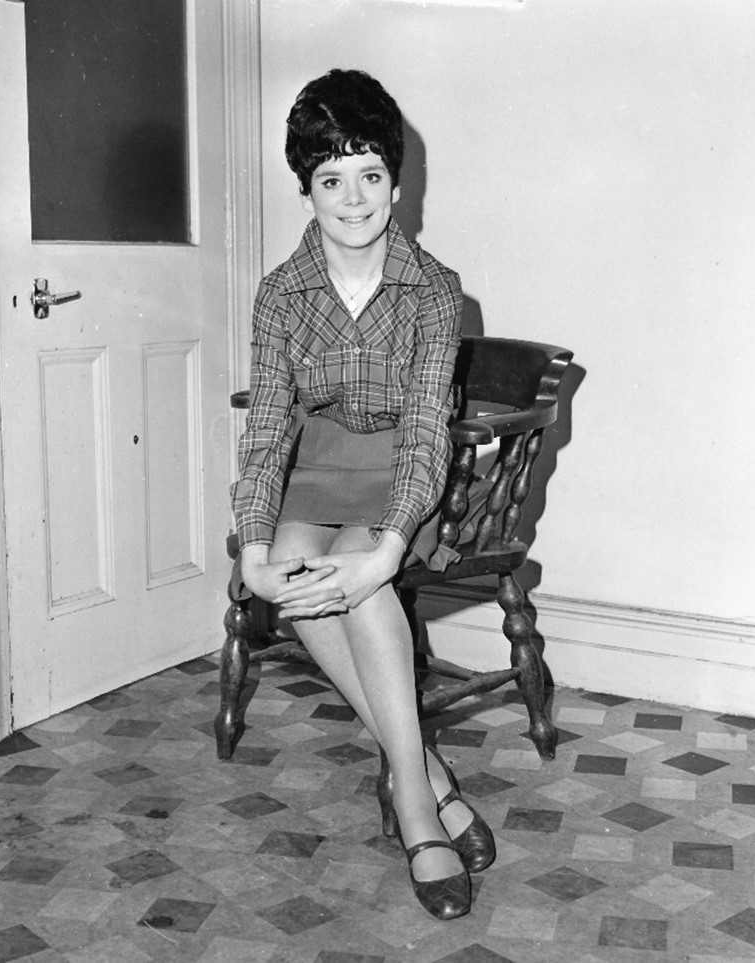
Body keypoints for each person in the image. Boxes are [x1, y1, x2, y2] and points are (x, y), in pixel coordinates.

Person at [231, 68, 494, 921]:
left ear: (395, 181)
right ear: (306, 188)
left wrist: (387, 545)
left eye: (371, 174)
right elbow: (269, 430)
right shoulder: (281, 292)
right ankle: (427, 770)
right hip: (316, 468)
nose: (354, 199)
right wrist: (255, 552)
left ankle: (414, 806)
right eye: (331, 179)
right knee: (303, 573)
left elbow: (424, 431)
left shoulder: (435, 290)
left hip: (402, 480)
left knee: (354, 569)